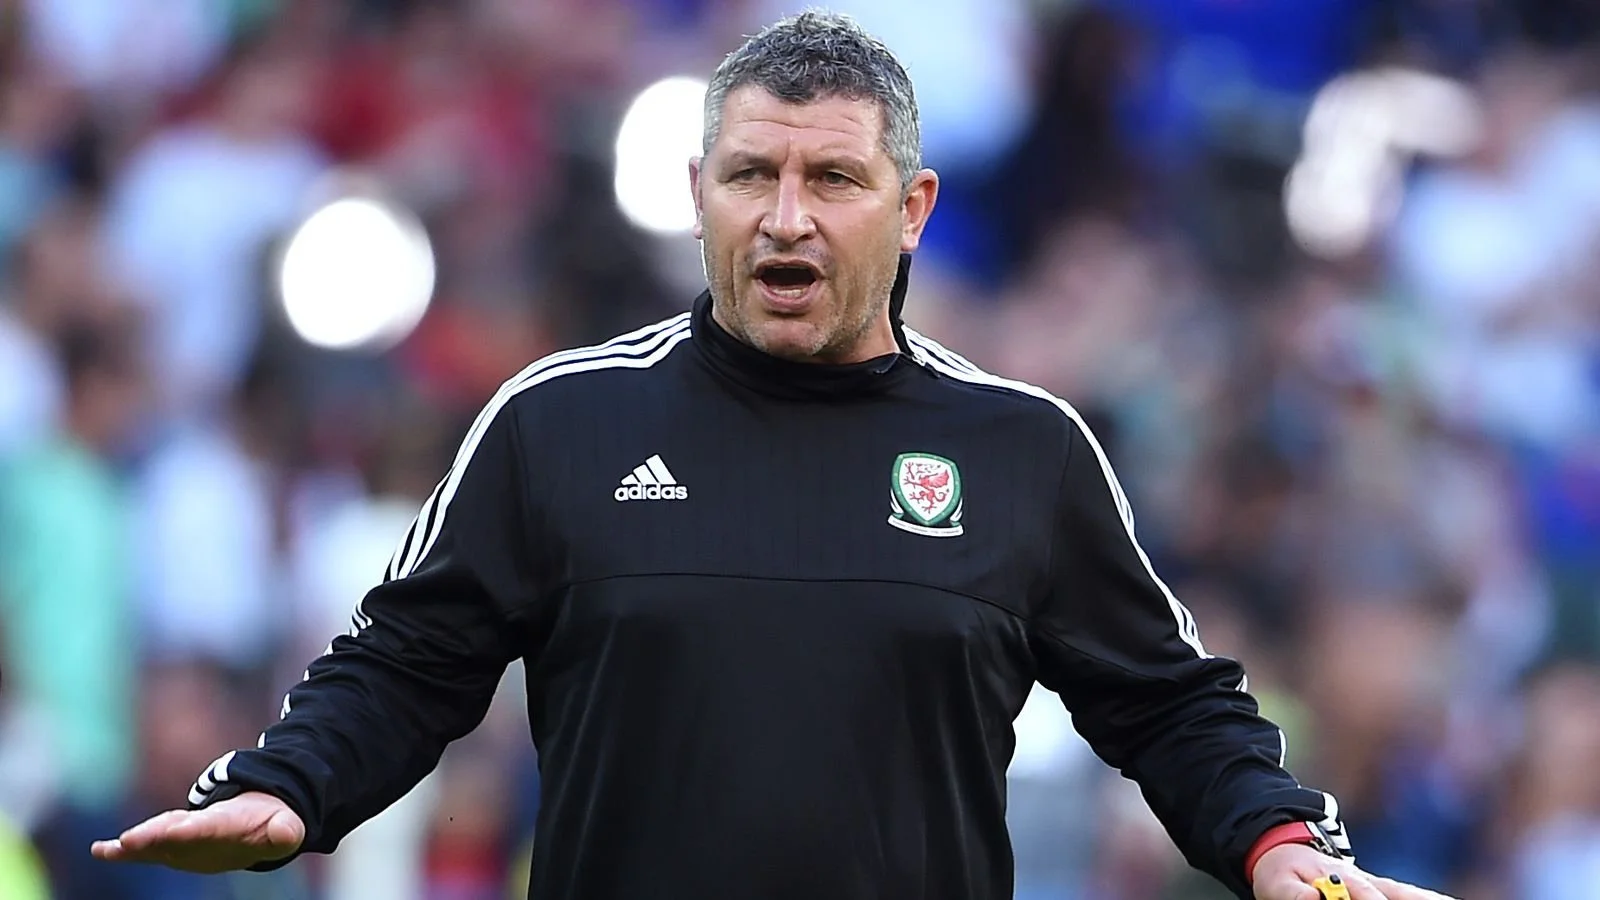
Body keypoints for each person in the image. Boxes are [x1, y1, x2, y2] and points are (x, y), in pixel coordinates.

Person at [92, 12, 1459, 900]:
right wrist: (284, 785)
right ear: (699, 195)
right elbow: (405, 662)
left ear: (914, 207)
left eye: (833, 181)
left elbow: (1173, 707)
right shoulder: (559, 422)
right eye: (752, 177)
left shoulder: (1024, 451)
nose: (786, 219)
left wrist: (1283, 847)